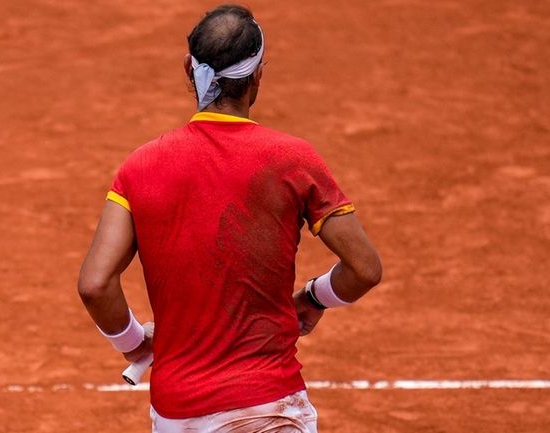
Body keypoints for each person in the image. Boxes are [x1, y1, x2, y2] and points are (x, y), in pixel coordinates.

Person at [77, 4, 382, 432]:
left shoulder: (139, 167)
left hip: (176, 413)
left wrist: (132, 342)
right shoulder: (292, 159)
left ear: (189, 68)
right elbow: (364, 268)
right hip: (269, 405)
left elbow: (95, 284)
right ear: (258, 76)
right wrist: (314, 299)